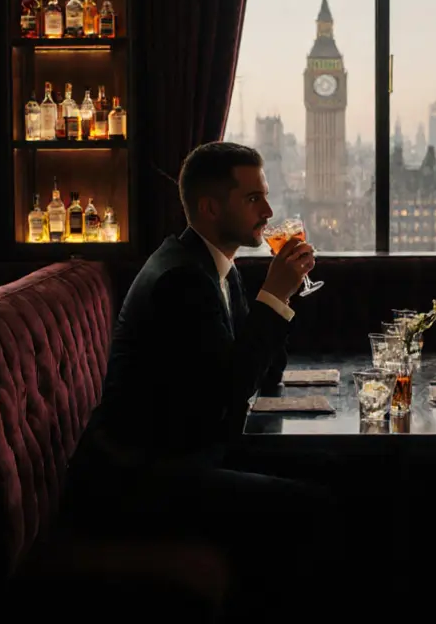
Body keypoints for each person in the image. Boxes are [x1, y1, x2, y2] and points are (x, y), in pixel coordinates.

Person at [64, 141, 338, 624]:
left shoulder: (216, 266)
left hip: (190, 448)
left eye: (266, 196)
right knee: (311, 508)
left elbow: (262, 375)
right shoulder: (181, 281)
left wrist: (280, 297)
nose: (270, 212)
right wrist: (273, 295)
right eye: (254, 199)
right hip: (141, 479)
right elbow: (225, 397)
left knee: (339, 470)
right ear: (211, 207)